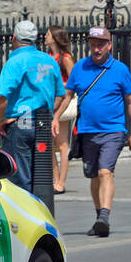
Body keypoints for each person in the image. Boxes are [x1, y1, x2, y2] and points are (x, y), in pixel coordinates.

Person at [62, 26, 131, 238]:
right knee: (94, 176)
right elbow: (68, 95)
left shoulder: (120, 70)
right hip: (87, 131)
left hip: (113, 130)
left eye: (100, 44)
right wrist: (53, 117)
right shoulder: (80, 67)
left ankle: (104, 216)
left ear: (109, 45)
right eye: (93, 44)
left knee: (105, 171)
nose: (96, 49)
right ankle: (99, 217)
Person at [0, 20, 66, 193]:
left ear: (14, 38)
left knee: (19, 179)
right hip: (43, 122)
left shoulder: (15, 62)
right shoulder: (49, 60)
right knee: (41, 177)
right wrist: (49, 113)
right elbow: (61, 95)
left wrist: (0, 119)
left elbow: (1, 95)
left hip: (20, 123)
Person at [45, 25, 75, 194]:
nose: (45, 37)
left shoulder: (65, 58)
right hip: (51, 103)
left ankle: (61, 182)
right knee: (50, 144)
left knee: (63, 144)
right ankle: (55, 179)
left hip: (63, 103)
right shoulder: (49, 57)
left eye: (48, 34)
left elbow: (73, 83)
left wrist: (60, 86)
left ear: (56, 38)